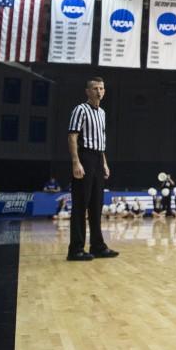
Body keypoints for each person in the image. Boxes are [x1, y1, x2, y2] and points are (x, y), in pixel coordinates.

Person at [66, 77, 119, 262]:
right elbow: (72, 137)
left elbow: (101, 142)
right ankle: (76, 249)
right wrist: (76, 162)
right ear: (87, 91)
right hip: (85, 157)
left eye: (102, 88)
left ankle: (97, 246)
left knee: (96, 205)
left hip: (97, 157)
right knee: (81, 205)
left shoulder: (102, 113)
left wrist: (104, 162)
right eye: (95, 88)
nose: (99, 91)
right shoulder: (80, 109)